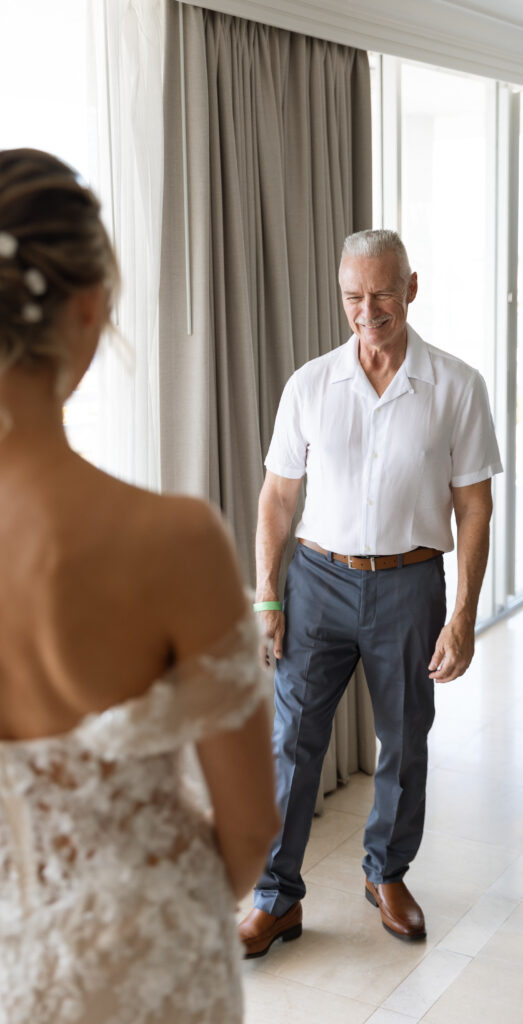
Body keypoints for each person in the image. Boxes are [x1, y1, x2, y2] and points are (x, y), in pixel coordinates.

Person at [0, 148, 279, 1023]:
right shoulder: (172, 538)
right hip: (143, 963)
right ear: (89, 307)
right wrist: (152, 904)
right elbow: (248, 829)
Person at [239, 229, 502, 958]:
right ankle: (275, 897)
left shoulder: (456, 385)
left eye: (382, 292)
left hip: (409, 586)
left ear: (410, 288)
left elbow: (474, 509)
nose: (367, 309)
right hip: (316, 582)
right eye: (354, 295)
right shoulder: (309, 384)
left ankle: (385, 874)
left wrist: (462, 616)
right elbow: (276, 496)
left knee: (404, 739)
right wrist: (267, 596)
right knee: (290, 742)